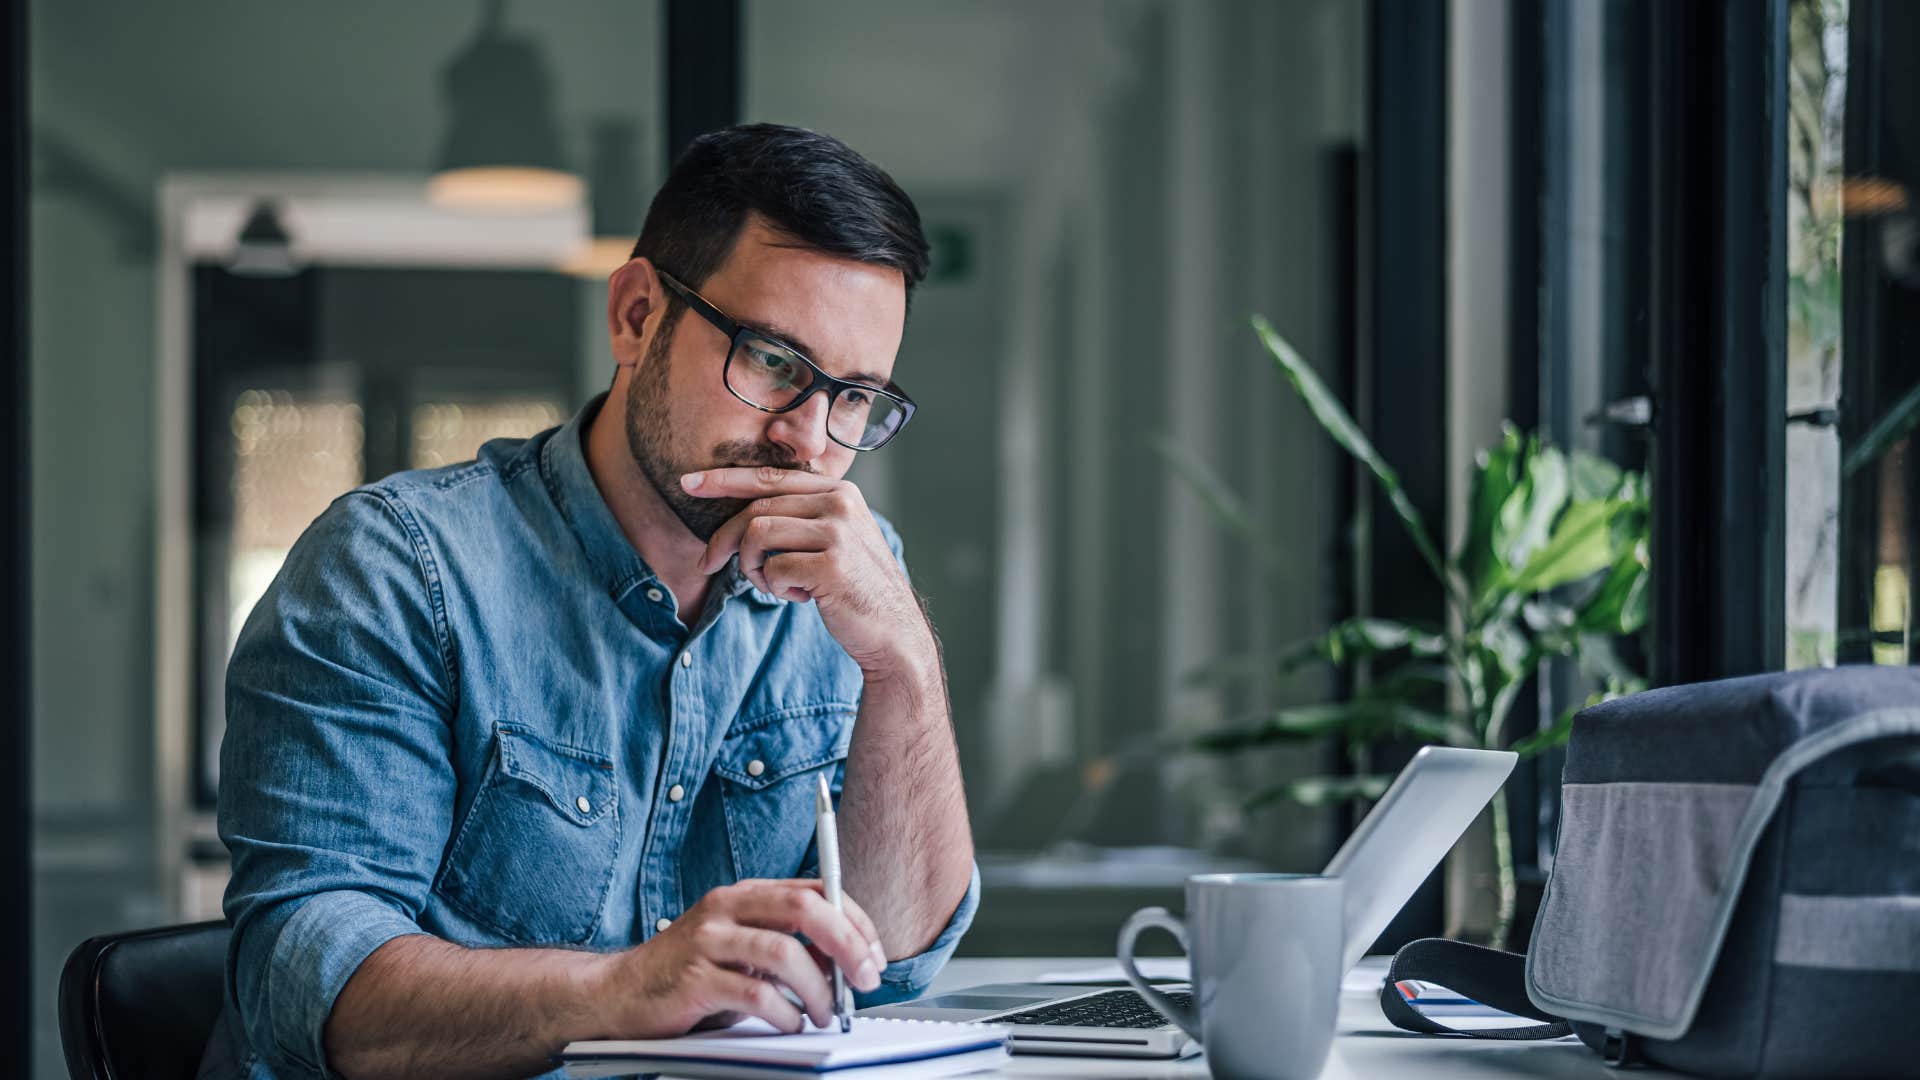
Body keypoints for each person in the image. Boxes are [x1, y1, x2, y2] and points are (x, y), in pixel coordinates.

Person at [198, 123, 977, 1080]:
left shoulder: (853, 575)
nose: (809, 440)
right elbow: (307, 986)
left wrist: (902, 656)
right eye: (773, 360)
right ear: (638, 315)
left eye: (854, 396)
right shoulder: (394, 569)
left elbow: (896, 963)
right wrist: (625, 991)